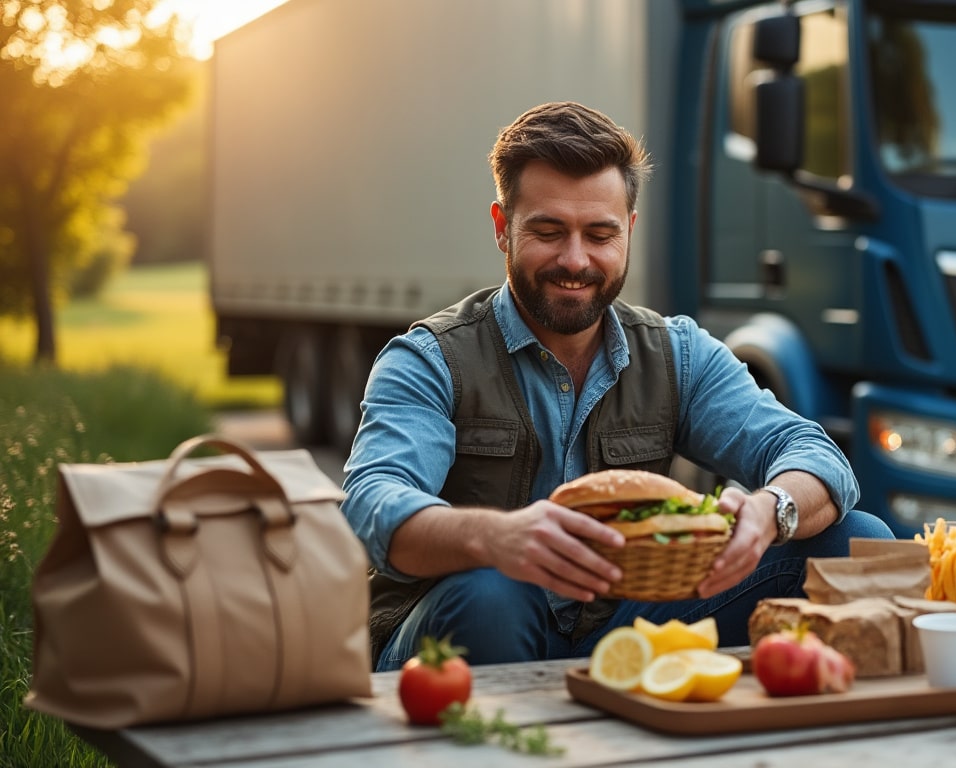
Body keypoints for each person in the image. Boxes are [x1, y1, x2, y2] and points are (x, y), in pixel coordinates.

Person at [341, 101, 893, 671]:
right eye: (548, 232)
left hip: (623, 629)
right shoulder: (431, 358)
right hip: (453, 635)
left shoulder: (677, 352)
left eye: (599, 234)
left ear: (628, 229)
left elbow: (816, 455)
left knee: (855, 540)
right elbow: (374, 504)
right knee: (495, 593)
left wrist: (769, 512)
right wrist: (497, 538)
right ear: (502, 228)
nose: (575, 260)